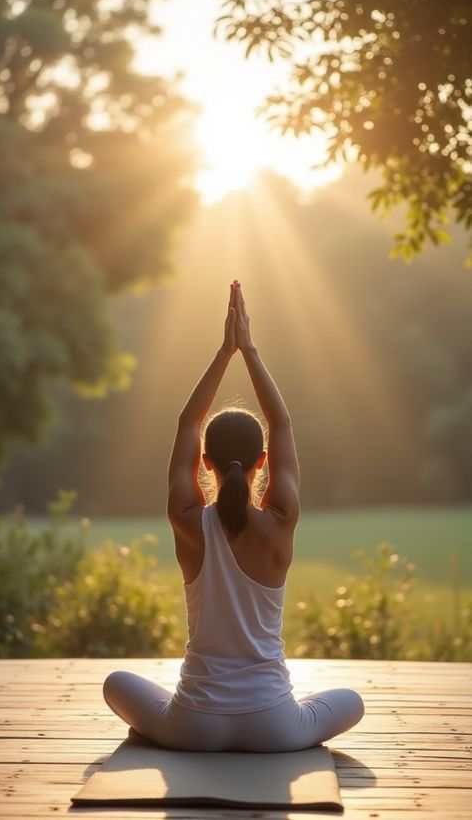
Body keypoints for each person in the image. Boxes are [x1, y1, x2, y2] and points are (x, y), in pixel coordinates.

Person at [103, 281, 364, 752]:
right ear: (262, 462)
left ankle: (167, 728)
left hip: (193, 727)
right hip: (275, 727)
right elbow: (282, 424)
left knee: (115, 683)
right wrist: (249, 350)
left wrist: (224, 354)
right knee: (352, 701)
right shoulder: (281, 518)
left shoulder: (187, 518)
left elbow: (188, 423)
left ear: (205, 463)